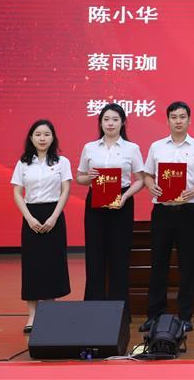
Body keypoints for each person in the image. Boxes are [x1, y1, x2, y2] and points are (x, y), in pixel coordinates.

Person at [140, 101, 194, 333]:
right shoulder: (156, 147)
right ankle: (154, 314)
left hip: (187, 211)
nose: (178, 121)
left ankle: (185, 315)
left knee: (187, 265)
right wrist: (151, 185)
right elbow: (147, 174)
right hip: (162, 211)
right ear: (168, 120)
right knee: (158, 264)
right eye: (174, 117)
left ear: (189, 120)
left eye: (182, 117)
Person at [75, 103, 144, 314]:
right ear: (100, 123)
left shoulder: (132, 148)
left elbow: (140, 179)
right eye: (106, 119)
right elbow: (79, 178)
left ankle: (118, 312)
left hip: (121, 202)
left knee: (119, 258)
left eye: (115, 119)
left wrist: (125, 197)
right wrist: (89, 177)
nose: (110, 123)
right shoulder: (90, 147)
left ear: (123, 122)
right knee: (94, 256)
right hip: (95, 202)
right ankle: (92, 310)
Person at [11, 119, 72, 333]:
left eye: (47, 134)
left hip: (54, 214)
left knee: (52, 264)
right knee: (33, 266)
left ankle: (50, 313)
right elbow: (17, 192)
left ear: (53, 137)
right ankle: (32, 315)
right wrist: (28, 218)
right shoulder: (23, 163)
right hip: (31, 216)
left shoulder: (62, 162)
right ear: (31, 138)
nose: (42, 138)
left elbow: (65, 190)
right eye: (38, 134)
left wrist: (54, 217)